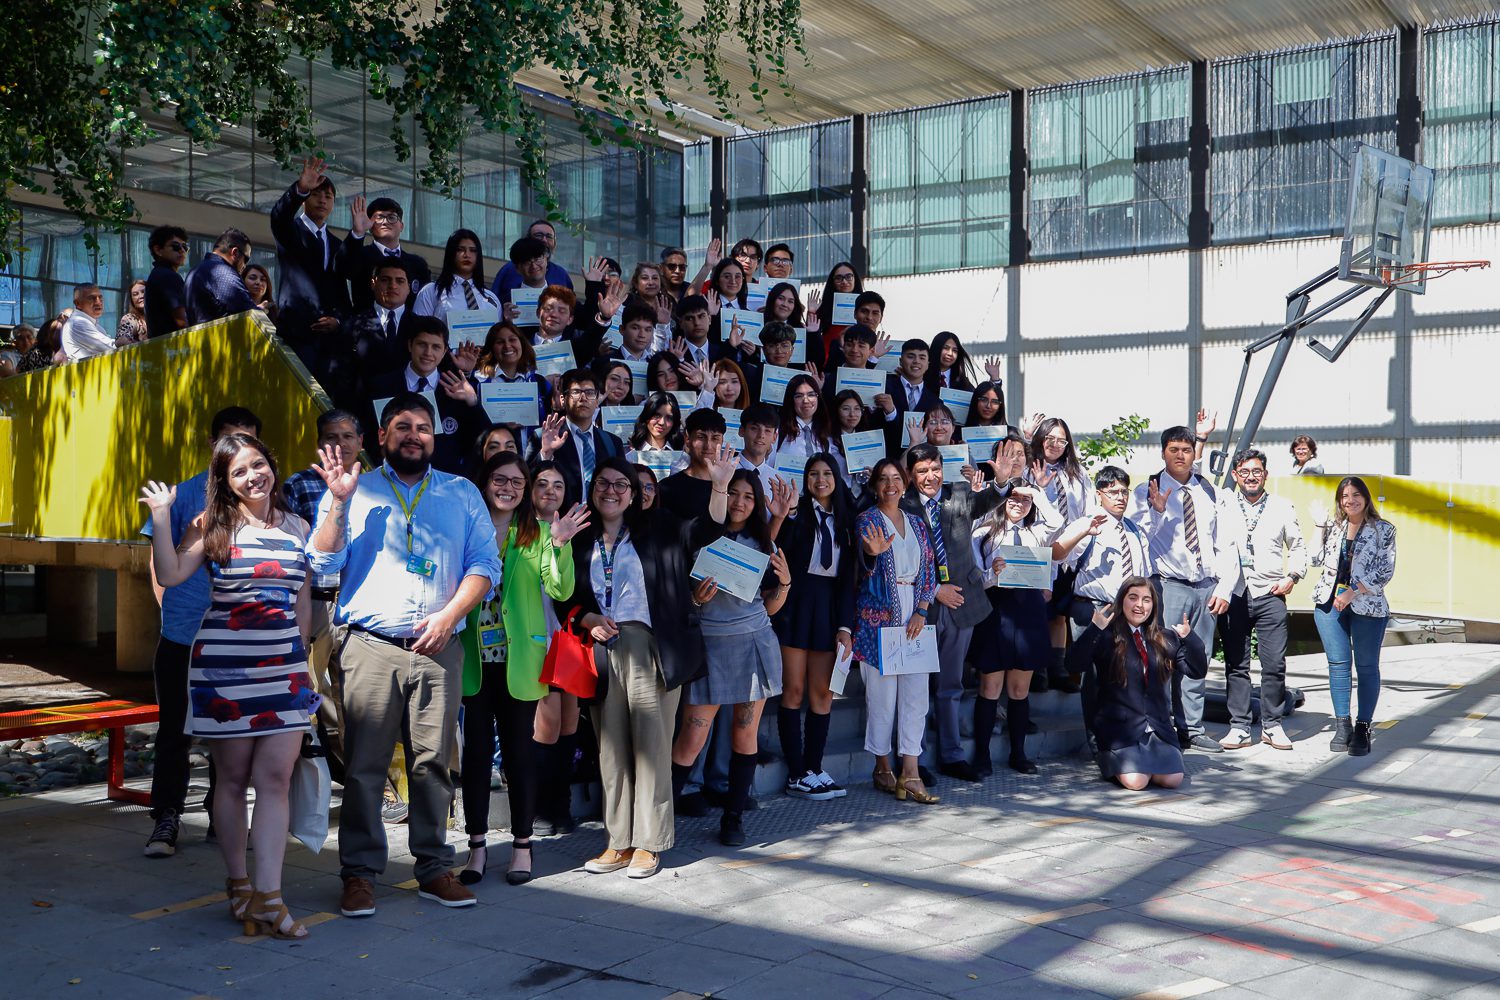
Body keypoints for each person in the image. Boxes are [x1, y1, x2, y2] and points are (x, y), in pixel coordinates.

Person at [307, 392, 502, 917]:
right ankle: (360, 874)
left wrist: (448, 617)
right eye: (402, 427)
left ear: (434, 437)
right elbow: (323, 563)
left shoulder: (461, 493)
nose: (413, 435)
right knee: (366, 766)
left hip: (440, 647)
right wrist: (340, 501)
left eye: (423, 427)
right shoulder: (352, 488)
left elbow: (486, 564)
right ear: (381, 437)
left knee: (434, 764)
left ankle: (435, 867)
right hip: (370, 647)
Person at [139, 432, 315, 939]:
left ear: (271, 464)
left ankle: (270, 896)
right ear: (225, 481)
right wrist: (161, 514)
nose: (252, 476)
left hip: (283, 669)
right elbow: (170, 575)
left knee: (276, 779)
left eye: (257, 464)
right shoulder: (212, 526)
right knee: (233, 780)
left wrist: (301, 661)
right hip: (224, 669)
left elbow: (302, 601)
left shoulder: (299, 526)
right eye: (238, 471)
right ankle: (238, 883)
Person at [568, 453, 732, 878]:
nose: (612, 491)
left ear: (634, 494)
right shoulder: (581, 537)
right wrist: (586, 618)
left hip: (649, 647)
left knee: (651, 746)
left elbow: (708, 530)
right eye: (604, 483)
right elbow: (567, 595)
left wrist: (718, 485)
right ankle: (618, 841)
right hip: (603, 649)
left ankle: (649, 842)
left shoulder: (659, 527)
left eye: (622, 485)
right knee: (612, 750)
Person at [458, 453, 588, 885]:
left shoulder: (534, 534)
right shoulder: (469, 528)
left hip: (520, 662)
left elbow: (559, 587)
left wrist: (561, 543)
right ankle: (476, 847)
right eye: (500, 479)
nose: (508, 487)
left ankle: (521, 846)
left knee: (519, 757)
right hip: (474, 661)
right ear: (486, 482)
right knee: (476, 758)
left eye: (517, 481)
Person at [139, 405, 261, 858]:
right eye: (231, 440)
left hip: (238, 640)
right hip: (183, 635)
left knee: (230, 734)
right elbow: (159, 558)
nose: (239, 450)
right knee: (174, 730)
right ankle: (166, 819)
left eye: (248, 442)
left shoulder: (261, 504)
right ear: (213, 445)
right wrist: (167, 607)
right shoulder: (184, 494)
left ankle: (221, 816)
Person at [671, 470, 792, 846]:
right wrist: (697, 599)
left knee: (744, 734)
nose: (739, 502)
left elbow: (771, 608)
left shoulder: (763, 542)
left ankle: (734, 817)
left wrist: (785, 582)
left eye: (748, 497)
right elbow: (682, 595)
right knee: (692, 736)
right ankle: (660, 818)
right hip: (709, 645)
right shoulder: (698, 533)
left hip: (754, 642)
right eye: (733, 493)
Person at [1130, 426, 1238, 754]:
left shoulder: (1209, 491)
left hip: (1206, 588)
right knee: (1163, 659)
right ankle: (1163, 728)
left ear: (1195, 454)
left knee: (1196, 658)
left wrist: (1225, 587)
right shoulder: (1146, 490)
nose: (1180, 455)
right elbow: (1140, 539)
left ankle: (1192, 728)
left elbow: (1226, 542)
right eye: (1174, 449)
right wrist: (1158, 512)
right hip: (1168, 586)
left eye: (1186, 450)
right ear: (1163, 452)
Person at [900, 444, 1002, 783]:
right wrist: (932, 591)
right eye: (922, 471)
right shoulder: (903, 503)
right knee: (917, 688)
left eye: (935, 468)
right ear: (911, 476)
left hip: (961, 602)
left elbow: (986, 502)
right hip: (920, 608)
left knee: (951, 684)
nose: (930, 477)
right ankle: (917, 758)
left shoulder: (958, 493)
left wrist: (1000, 481)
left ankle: (952, 755)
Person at [282, 409, 365, 770]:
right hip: (315, 604)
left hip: (357, 607)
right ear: (319, 444)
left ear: (361, 442)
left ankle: (381, 792)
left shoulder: (377, 485)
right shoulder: (298, 485)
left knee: (361, 699)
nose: (340, 444)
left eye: (348, 436)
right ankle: (311, 778)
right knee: (311, 694)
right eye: (331, 437)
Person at [1068, 577, 1206, 791]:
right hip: (1120, 730)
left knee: (1172, 780)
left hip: (1157, 729)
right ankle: (1111, 759)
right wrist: (1094, 629)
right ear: (1121, 601)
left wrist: (1190, 639)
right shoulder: (1107, 636)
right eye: (1133, 598)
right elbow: (1074, 664)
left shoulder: (1164, 637)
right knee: (1137, 782)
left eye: (1146, 600)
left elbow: (1196, 670)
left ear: (1154, 605)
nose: (1139, 605)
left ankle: (1147, 763)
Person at [855, 458, 939, 804]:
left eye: (896, 478)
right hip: (878, 620)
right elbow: (859, 570)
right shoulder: (866, 520)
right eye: (883, 479)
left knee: (916, 697)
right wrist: (871, 556)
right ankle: (882, 766)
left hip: (914, 615)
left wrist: (922, 610)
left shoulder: (918, 523)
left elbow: (930, 570)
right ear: (875, 485)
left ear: (905, 485)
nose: (890, 484)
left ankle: (911, 772)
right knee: (882, 698)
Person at [774, 453, 857, 799]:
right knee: (793, 690)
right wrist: (789, 514)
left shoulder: (847, 519)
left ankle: (814, 767)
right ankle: (796, 773)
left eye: (826, 473)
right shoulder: (798, 514)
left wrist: (845, 626)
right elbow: (781, 549)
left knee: (822, 692)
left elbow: (850, 579)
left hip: (828, 606)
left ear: (836, 478)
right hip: (796, 601)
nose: (820, 479)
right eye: (813, 474)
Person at [1216, 448, 1308, 751]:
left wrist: (1292, 577)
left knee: (1274, 664)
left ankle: (1272, 725)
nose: (1251, 477)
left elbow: (1297, 545)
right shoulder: (1225, 504)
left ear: (1265, 474)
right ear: (1235, 475)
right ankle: (1239, 727)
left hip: (1270, 592)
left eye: (1256, 471)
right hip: (1235, 591)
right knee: (1236, 664)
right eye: (1244, 472)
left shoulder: (1282, 506)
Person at [969, 481, 1057, 775]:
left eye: (1025, 499)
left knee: (1020, 688)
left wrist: (1038, 494)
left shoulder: (1037, 532)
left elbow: (1057, 522)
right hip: (996, 609)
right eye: (1013, 497)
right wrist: (992, 574)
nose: (1019, 503)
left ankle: (1018, 754)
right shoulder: (983, 533)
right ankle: (982, 755)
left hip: (1029, 611)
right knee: (990, 685)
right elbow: (975, 578)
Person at [1309, 476, 1397, 756]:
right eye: (1345, 496)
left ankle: (1363, 727)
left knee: (1367, 667)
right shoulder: (1334, 527)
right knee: (1338, 665)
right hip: (1328, 603)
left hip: (1366, 605)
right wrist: (1318, 526)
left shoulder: (1384, 529)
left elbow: (1384, 571)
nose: (1350, 500)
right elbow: (1313, 559)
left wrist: (1352, 593)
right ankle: (1342, 724)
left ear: (1366, 497)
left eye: (1356, 494)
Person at [529, 461, 586, 834]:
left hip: (568, 639)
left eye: (559, 486)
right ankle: (539, 807)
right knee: (545, 728)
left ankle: (561, 805)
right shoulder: (518, 531)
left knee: (568, 724)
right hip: (534, 641)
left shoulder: (576, 530)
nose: (551, 491)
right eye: (543, 484)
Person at [364, 316, 486, 474]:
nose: (428, 353)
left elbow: (481, 441)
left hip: (443, 481)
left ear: (444, 352)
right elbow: (369, 435)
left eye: (436, 347)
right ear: (410, 345)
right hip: (392, 479)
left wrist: (473, 402)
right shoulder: (380, 387)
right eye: (422, 344)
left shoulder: (459, 390)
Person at [270, 157, 351, 376]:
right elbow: (279, 216)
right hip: (297, 333)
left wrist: (338, 320)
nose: (322, 200)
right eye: (316, 194)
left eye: (328, 196)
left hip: (330, 341)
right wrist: (301, 188)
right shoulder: (291, 231)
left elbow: (341, 290)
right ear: (306, 199)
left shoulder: (337, 244)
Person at [1028, 417, 1090, 693]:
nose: (1055, 444)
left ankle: (1057, 668)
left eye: (1061, 440)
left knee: (1059, 615)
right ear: (1040, 439)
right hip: (1038, 551)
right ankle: (1037, 668)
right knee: (1037, 612)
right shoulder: (1030, 470)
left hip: (1070, 553)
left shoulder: (1077, 474)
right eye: (1049, 438)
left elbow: (1088, 511)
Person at [531, 368, 626, 510]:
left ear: (597, 400)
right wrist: (546, 453)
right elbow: (527, 481)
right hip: (559, 520)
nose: (583, 398)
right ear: (563, 399)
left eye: (590, 393)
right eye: (576, 392)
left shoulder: (613, 442)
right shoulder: (542, 436)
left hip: (600, 522)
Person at [340, 260, 419, 410]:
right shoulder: (351, 325)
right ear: (373, 283)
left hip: (410, 411)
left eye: (400, 281)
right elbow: (342, 377)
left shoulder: (421, 327)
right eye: (385, 280)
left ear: (409, 287)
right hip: (363, 412)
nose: (392, 286)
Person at [341, 195, 430, 312]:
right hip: (367, 326)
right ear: (370, 226)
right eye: (379, 217)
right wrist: (357, 232)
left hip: (408, 328)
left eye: (392, 217)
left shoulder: (418, 264)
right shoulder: (360, 255)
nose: (385, 222)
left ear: (402, 226)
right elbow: (343, 269)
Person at [412, 229, 500, 324]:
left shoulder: (492, 299)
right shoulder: (431, 291)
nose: (467, 255)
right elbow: (418, 331)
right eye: (460, 250)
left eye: (473, 250)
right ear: (451, 254)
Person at [878, 339, 939, 453]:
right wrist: (891, 413)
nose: (916, 361)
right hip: (886, 458)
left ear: (928, 364)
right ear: (901, 361)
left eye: (922, 357)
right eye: (911, 356)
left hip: (921, 461)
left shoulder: (935, 402)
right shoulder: (884, 388)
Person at [185, 229, 256, 326]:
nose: (245, 266)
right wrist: (261, 311)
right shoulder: (221, 271)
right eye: (246, 259)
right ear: (235, 252)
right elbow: (247, 310)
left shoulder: (196, 270)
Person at [491, 219, 573, 299]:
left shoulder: (561, 274)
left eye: (549, 236)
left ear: (555, 243)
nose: (544, 240)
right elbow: (495, 301)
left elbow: (573, 307)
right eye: (539, 235)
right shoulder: (508, 270)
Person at [144, 225, 189, 338]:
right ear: (158, 250)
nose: (182, 250)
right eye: (175, 246)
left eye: (185, 247)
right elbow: (183, 322)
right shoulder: (167, 276)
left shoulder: (157, 275)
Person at [813, 261, 862, 358]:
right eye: (839, 278)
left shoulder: (865, 307)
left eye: (848, 277)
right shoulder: (822, 307)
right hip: (828, 362)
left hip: (856, 359)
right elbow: (812, 338)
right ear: (833, 282)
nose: (844, 281)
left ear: (855, 279)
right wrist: (812, 313)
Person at [62, 284, 114, 361]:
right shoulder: (77, 323)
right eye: (91, 298)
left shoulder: (98, 327)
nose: (98, 302)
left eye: (100, 297)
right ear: (77, 303)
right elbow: (112, 347)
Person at [116, 280, 149, 346]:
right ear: (132, 300)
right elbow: (121, 340)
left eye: (143, 292)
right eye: (135, 294)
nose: (141, 296)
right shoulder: (130, 318)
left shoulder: (161, 315)